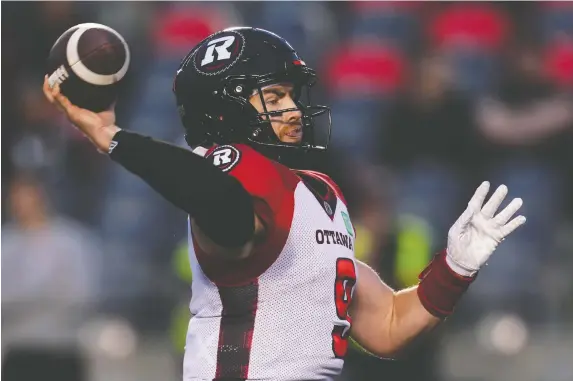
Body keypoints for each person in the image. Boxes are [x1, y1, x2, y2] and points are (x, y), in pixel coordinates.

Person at [43, 27, 526, 381]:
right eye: (273, 96)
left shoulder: (320, 191)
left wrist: (456, 268)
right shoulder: (229, 172)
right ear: (226, 107)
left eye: (291, 95)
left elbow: (388, 325)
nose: (292, 109)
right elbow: (224, 209)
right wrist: (115, 138)